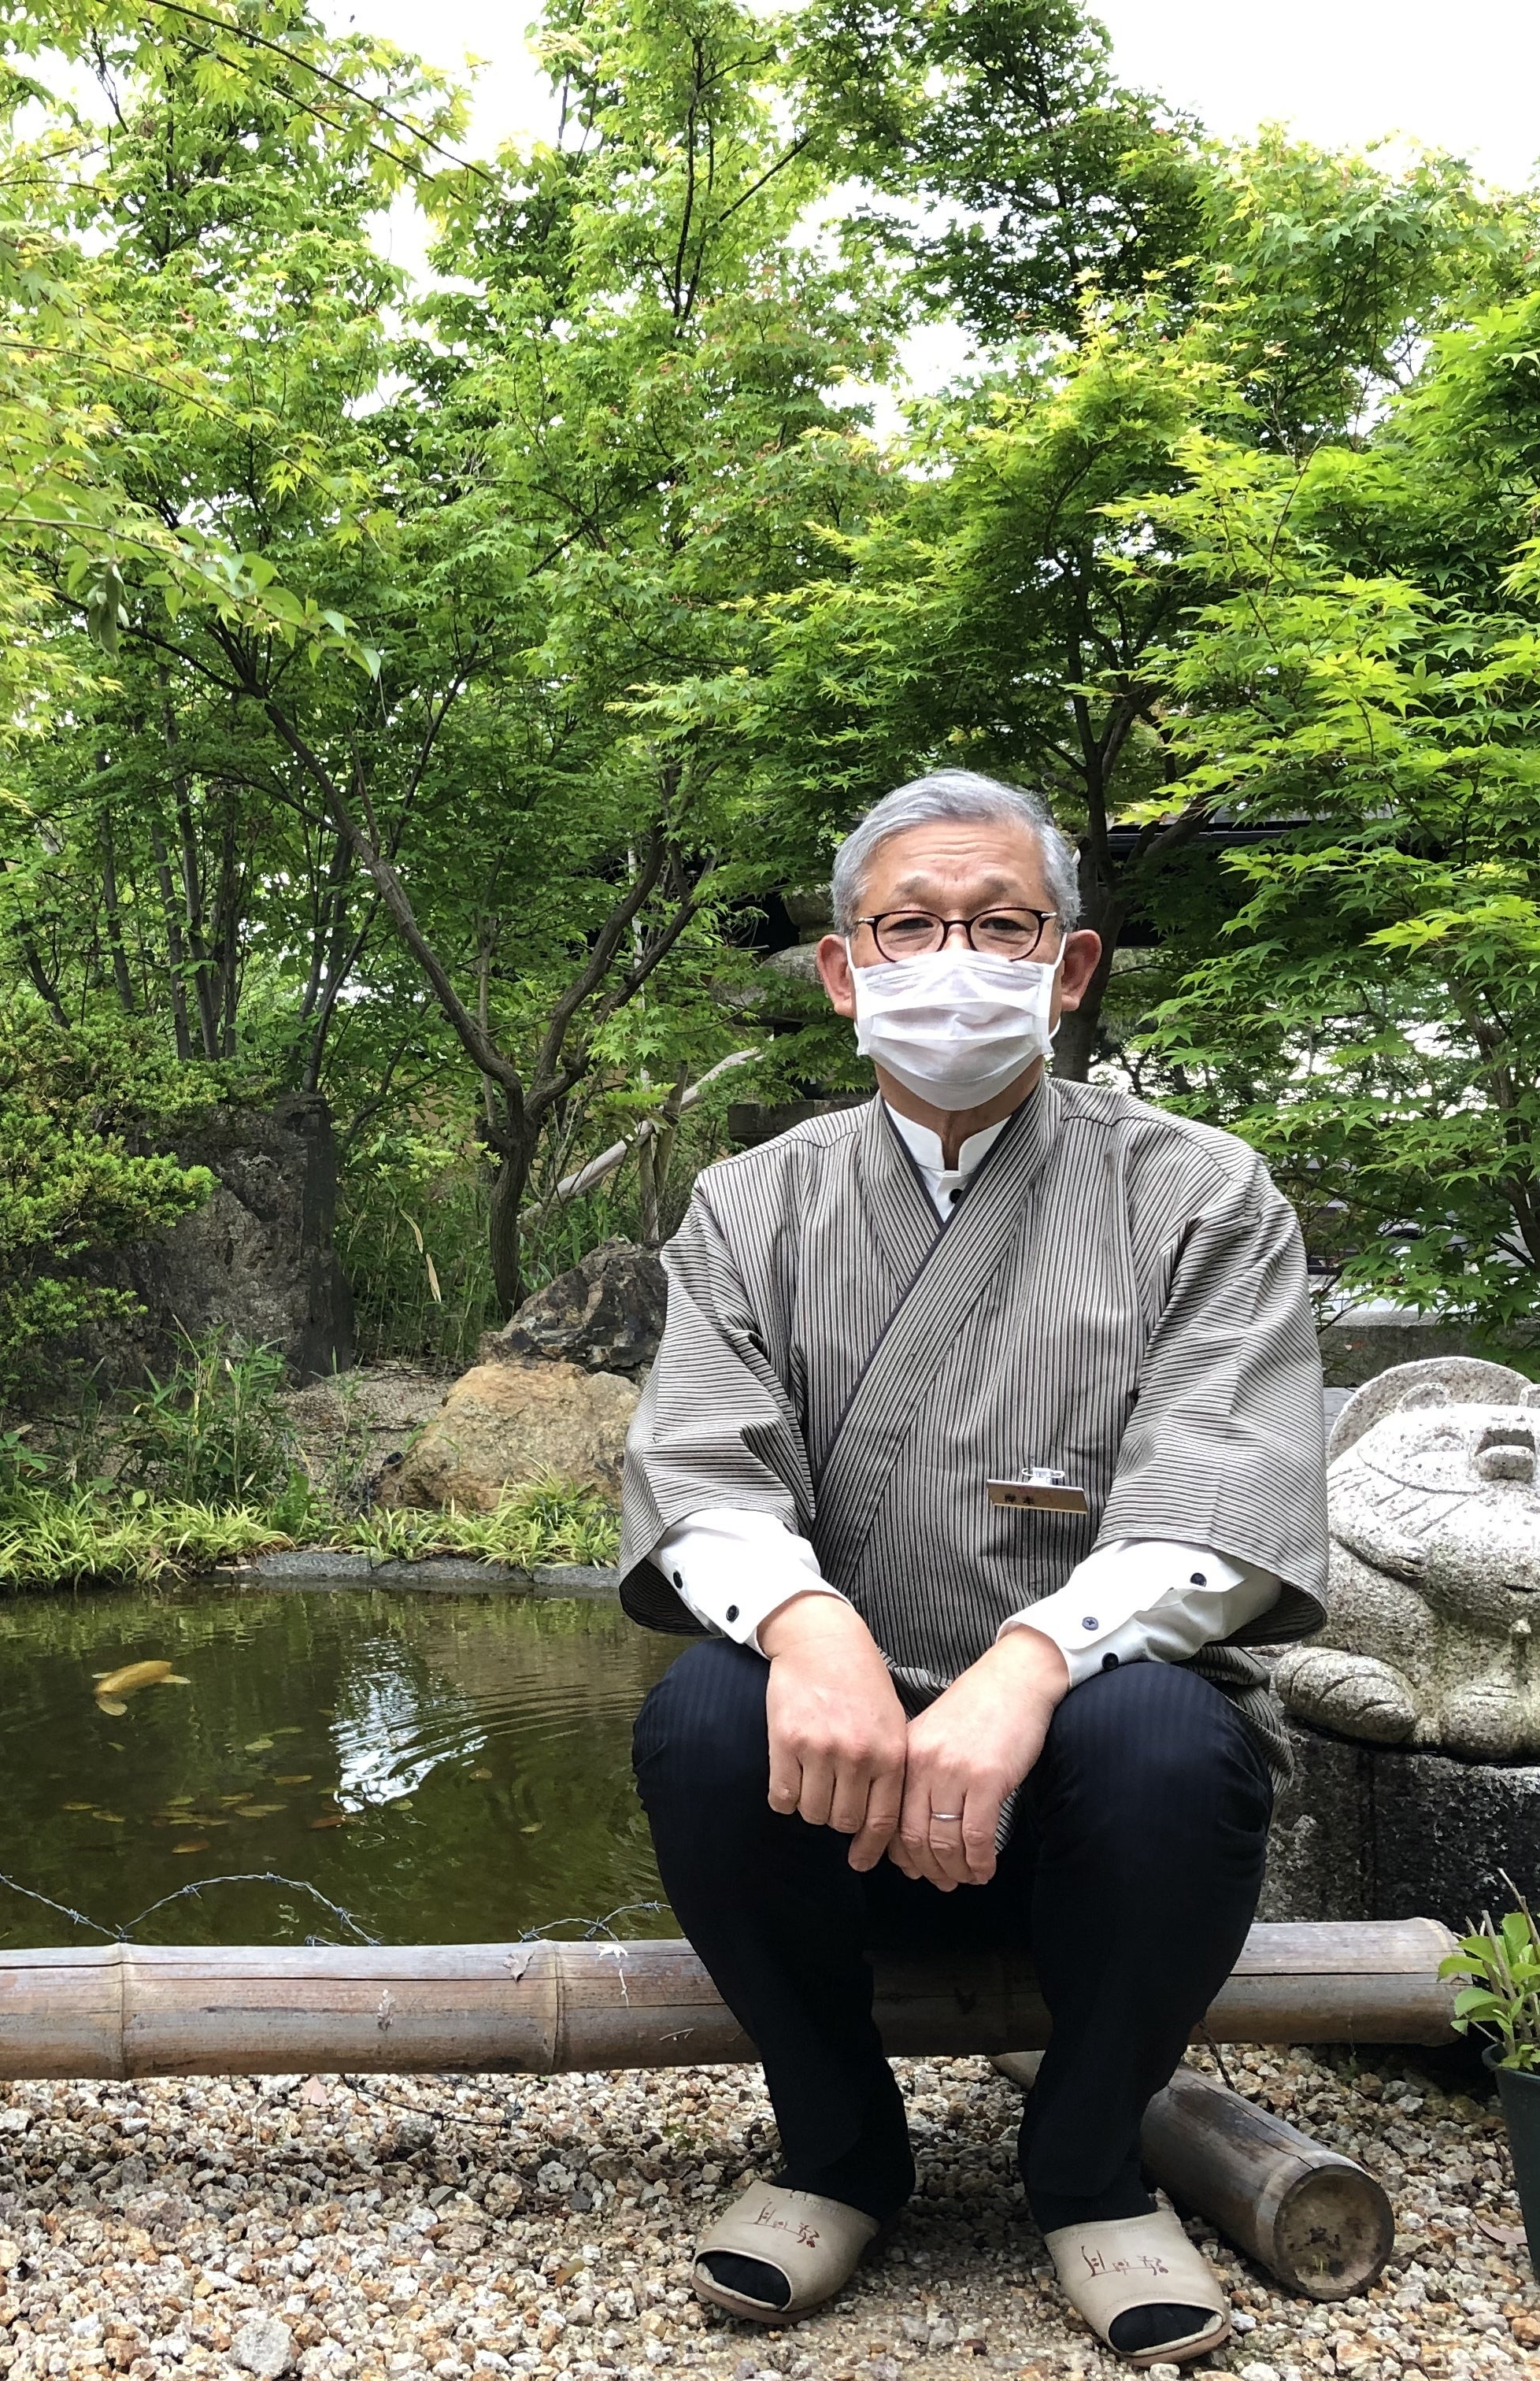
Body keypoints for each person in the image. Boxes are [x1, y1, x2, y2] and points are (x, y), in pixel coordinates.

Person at [620, 769, 1329, 2365]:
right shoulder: (751, 1205)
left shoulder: (1203, 1195)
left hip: (1081, 1795)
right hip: (843, 1785)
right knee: (701, 1720)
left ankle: (1087, 2166)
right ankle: (837, 2147)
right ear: (843, 968)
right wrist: (809, 1628)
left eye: (1002, 927)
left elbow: (1228, 1499)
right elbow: (701, 1468)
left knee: (1172, 1740)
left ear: (1068, 968)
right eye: (910, 925)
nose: (954, 960)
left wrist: (1029, 1665)